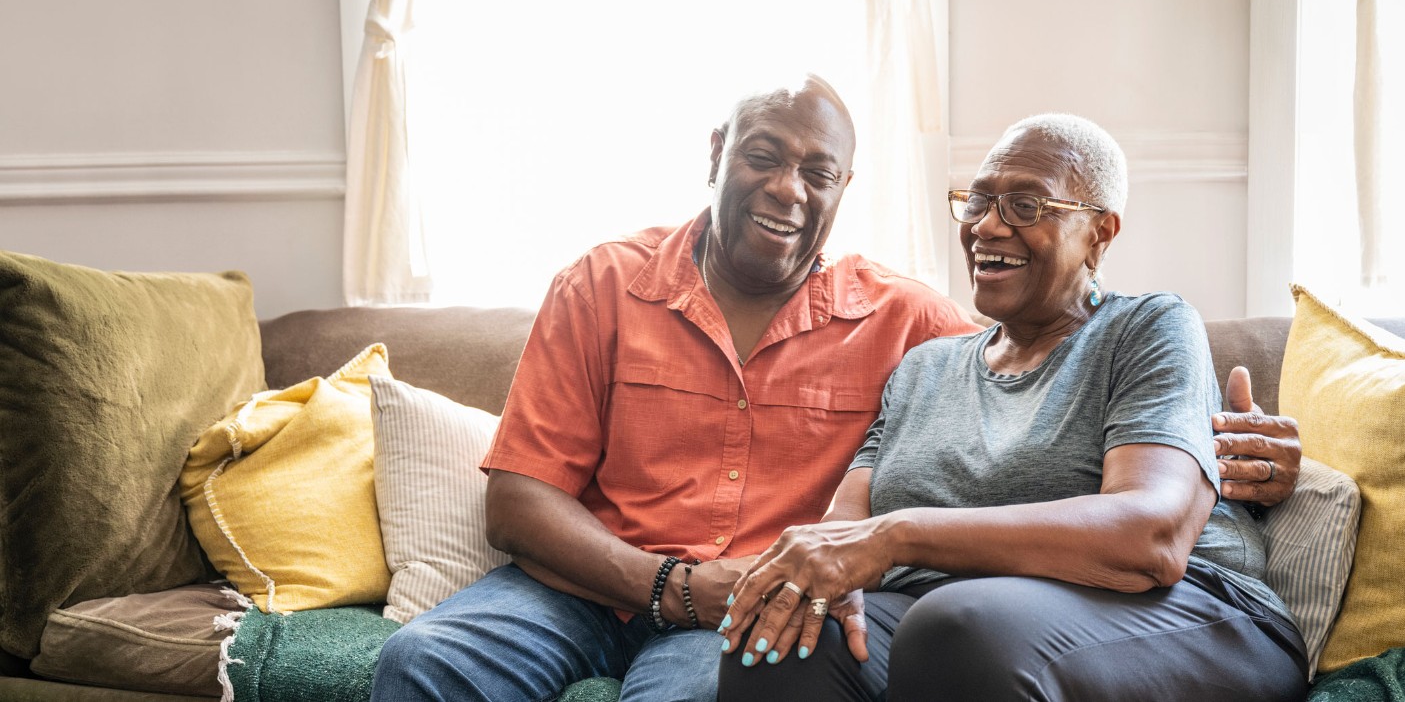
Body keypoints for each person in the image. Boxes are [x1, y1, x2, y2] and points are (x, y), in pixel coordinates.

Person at [371, 82, 1301, 702]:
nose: (786, 188)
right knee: (424, 661)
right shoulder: (607, 284)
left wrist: (1229, 447)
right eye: (763, 157)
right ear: (717, 152)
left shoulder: (908, 321)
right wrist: (683, 584)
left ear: (843, 189)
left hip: (757, 599)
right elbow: (520, 496)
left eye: (816, 172)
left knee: (763, 652)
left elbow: (1101, 379)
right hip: (582, 584)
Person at [715, 114, 1309, 702]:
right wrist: (815, 576)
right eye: (977, 202)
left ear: (1100, 233)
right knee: (779, 641)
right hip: (955, 618)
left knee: (958, 627)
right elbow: (845, 525)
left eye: (1027, 207)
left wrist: (898, 536)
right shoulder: (924, 367)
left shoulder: (1147, 327)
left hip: (1189, 615)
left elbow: (1150, 536)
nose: (988, 227)